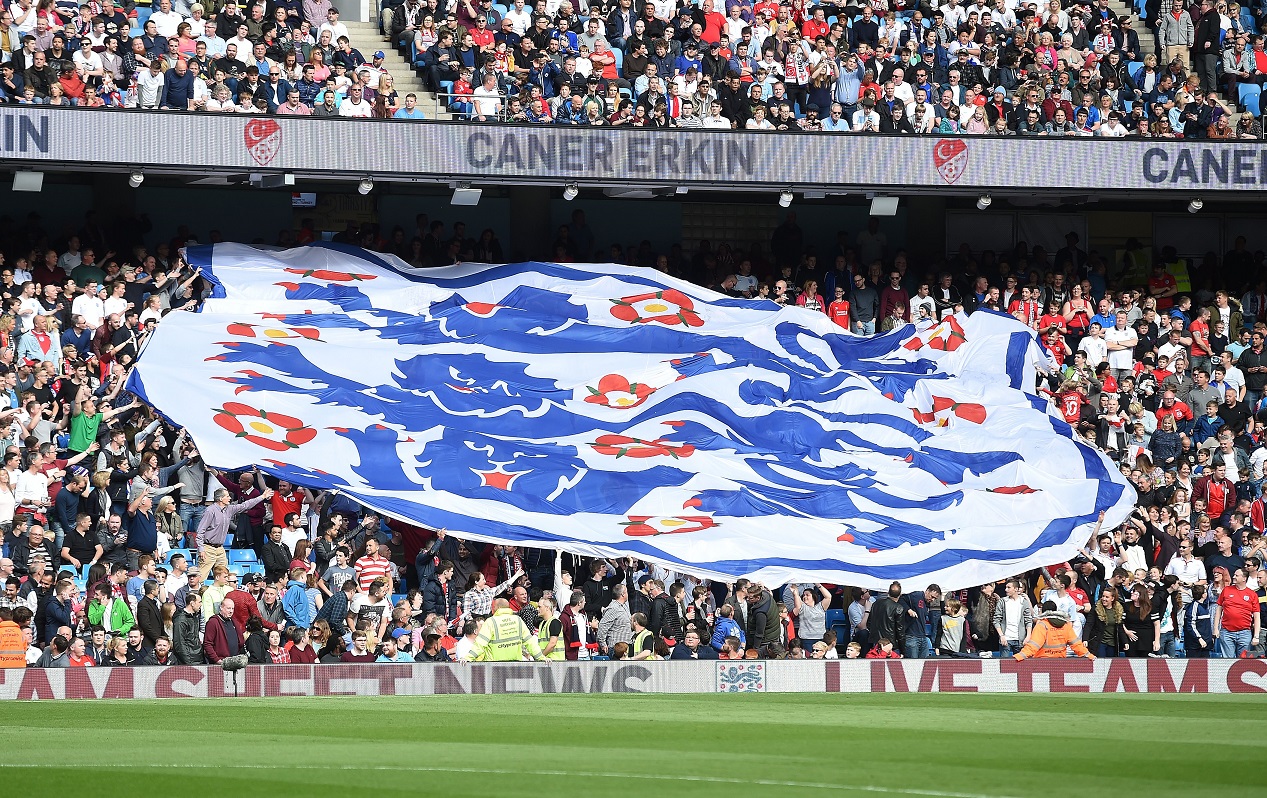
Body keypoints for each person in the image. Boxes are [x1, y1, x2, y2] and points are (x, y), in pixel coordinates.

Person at [464, 598, 544, 661]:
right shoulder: (518, 620)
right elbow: (530, 642)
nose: (492, 609)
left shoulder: (491, 622)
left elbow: (480, 644)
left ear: (498, 608)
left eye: (493, 606)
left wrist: (468, 658)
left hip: (494, 667)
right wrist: (541, 658)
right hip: (514, 666)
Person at [1013, 602, 1094, 660]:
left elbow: (1033, 645)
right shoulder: (1065, 625)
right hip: (1060, 662)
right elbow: (1076, 644)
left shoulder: (1042, 625)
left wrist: (1020, 656)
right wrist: (1088, 655)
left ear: (1043, 611)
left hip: (1042, 662)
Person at [1214, 566, 1261, 658]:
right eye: (1234, 575)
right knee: (1227, 661)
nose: (1234, 577)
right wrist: (1216, 628)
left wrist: (1256, 636)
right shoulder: (1226, 590)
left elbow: (1256, 616)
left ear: (1244, 578)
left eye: (1236, 575)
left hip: (1245, 632)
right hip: (1226, 632)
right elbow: (1219, 610)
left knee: (1243, 662)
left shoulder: (1252, 594)